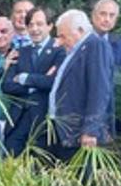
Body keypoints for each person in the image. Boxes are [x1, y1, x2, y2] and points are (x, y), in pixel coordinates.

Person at [47, 9, 114, 160]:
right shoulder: (74, 51)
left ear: (80, 30)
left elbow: (99, 90)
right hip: (67, 132)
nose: (61, 41)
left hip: (81, 133)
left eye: (64, 36)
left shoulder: (96, 45)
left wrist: (91, 130)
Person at [2, 6, 64, 155]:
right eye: (30, 25)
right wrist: (37, 84)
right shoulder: (20, 51)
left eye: (39, 24)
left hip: (44, 122)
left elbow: (54, 82)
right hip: (17, 119)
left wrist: (25, 78)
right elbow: (7, 85)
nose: (34, 29)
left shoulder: (59, 51)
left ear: (50, 26)